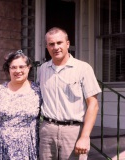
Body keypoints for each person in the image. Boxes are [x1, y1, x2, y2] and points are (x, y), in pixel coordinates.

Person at [38, 27, 101, 160]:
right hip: (47, 131)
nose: (56, 47)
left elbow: (93, 105)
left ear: (67, 44)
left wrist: (84, 136)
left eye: (59, 43)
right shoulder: (42, 69)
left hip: (73, 132)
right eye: (51, 44)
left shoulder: (83, 68)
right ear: (47, 47)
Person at [0, 50, 42, 160]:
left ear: (28, 67)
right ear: (8, 69)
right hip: (2, 148)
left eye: (22, 67)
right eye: (13, 67)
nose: (18, 71)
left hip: (29, 148)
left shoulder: (38, 91)